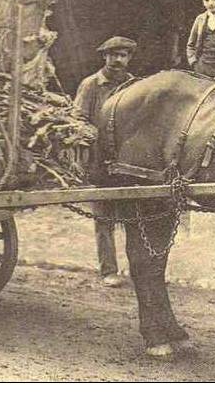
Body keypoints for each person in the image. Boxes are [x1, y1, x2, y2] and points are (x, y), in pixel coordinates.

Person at [74, 36, 136, 288]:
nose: (117, 60)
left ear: (129, 58)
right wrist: (94, 136)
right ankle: (108, 270)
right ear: (105, 57)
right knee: (104, 217)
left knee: (133, 215)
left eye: (122, 55)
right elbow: (77, 118)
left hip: (129, 159)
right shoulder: (91, 85)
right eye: (113, 55)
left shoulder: (134, 85)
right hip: (100, 158)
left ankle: (138, 269)